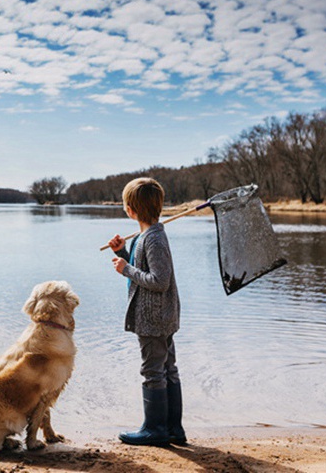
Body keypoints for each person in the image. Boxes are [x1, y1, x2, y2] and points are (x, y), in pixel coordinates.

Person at [106, 177, 187, 447]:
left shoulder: (154, 239)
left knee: (154, 371)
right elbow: (145, 269)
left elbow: (159, 281)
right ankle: (172, 428)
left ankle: (155, 429)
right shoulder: (147, 236)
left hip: (154, 319)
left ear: (130, 209)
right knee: (166, 369)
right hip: (161, 317)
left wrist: (125, 269)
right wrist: (124, 253)